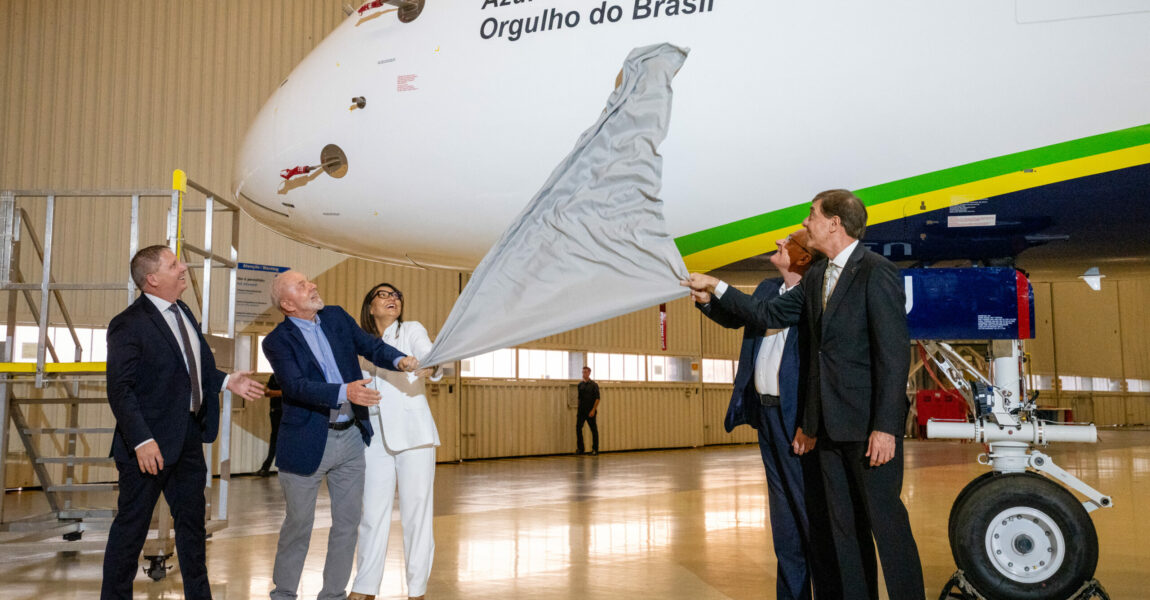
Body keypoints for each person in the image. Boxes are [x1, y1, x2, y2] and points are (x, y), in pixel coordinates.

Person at [682, 189, 925, 600]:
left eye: (811, 215)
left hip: (869, 429)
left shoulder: (876, 271)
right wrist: (718, 289)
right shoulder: (816, 277)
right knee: (843, 531)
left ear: (835, 223)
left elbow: (892, 354)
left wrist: (886, 426)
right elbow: (768, 315)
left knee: (887, 526)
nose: (804, 224)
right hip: (827, 429)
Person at [102, 245, 265, 600]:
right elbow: (120, 390)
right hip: (148, 447)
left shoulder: (184, 311)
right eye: (174, 264)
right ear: (152, 279)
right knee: (130, 532)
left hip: (187, 439)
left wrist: (225, 381)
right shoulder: (128, 324)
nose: (183, 267)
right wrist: (142, 441)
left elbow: (197, 367)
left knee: (192, 530)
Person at [694, 228, 837, 600]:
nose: (777, 243)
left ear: (804, 258)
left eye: (787, 241)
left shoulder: (812, 296)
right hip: (768, 417)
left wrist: (717, 284)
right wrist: (707, 302)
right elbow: (738, 317)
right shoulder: (766, 288)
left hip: (797, 421)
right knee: (784, 520)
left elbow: (764, 317)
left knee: (808, 515)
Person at [262, 270, 420, 600]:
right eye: (303, 286)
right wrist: (344, 392)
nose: (313, 286)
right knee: (298, 526)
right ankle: (284, 595)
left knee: (347, 525)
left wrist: (400, 359)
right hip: (305, 442)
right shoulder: (276, 341)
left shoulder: (334, 316)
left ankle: (333, 595)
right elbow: (295, 386)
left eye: (309, 281)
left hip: (349, 438)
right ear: (288, 304)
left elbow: (371, 346)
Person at [350, 283, 441, 600]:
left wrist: (431, 363)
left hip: (414, 434)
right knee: (372, 514)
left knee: (417, 514)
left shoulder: (411, 330)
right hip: (373, 436)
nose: (393, 299)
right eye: (384, 295)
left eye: (397, 295)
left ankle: (417, 590)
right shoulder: (359, 339)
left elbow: (428, 352)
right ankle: (364, 587)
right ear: (370, 305)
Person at [257, 373, 282, 477]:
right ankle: (266, 467)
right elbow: (266, 393)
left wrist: (272, 392)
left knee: (282, 438)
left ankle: (272, 466)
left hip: (285, 412)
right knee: (274, 437)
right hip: (274, 411)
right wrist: (276, 393)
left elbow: (288, 393)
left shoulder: (288, 375)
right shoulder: (274, 376)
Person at [575, 366, 600, 455]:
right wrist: (578, 410)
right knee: (578, 428)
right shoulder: (580, 385)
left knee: (593, 430)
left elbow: (597, 399)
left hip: (590, 411)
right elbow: (579, 399)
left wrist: (593, 410)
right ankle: (581, 449)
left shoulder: (594, 385)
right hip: (581, 411)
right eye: (583, 372)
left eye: (585, 372)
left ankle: (595, 449)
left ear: (589, 373)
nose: (584, 374)